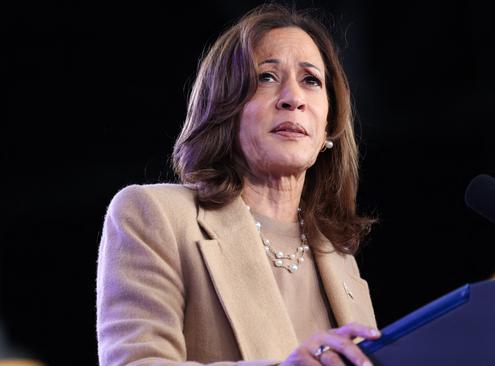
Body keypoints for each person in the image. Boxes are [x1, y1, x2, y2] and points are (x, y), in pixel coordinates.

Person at [96, 4, 381, 366]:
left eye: (311, 80)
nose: (293, 98)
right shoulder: (153, 216)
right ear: (224, 106)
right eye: (266, 77)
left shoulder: (340, 262)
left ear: (328, 125)